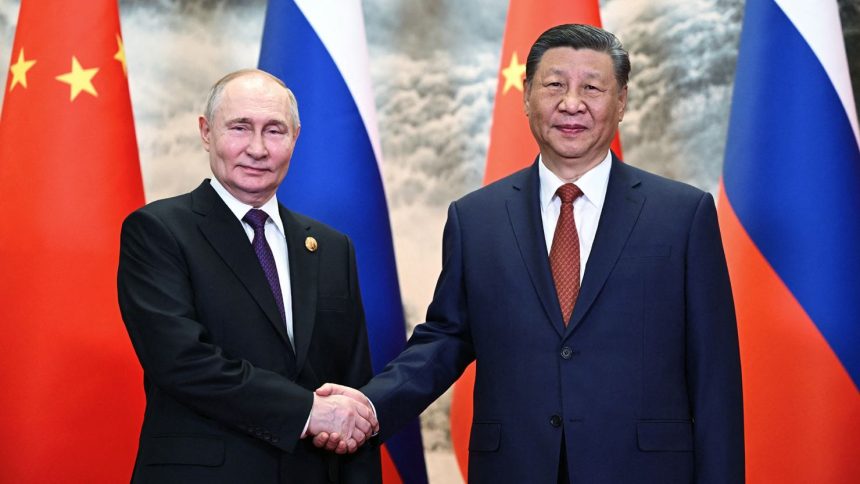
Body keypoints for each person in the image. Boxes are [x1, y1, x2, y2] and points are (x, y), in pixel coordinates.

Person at [316, 24, 745, 483]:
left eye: (593, 88)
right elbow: (444, 340)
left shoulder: (682, 215)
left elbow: (714, 375)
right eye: (555, 84)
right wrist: (370, 403)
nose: (572, 103)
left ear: (621, 101)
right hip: (514, 468)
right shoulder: (476, 218)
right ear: (526, 96)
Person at [117, 69, 381, 484]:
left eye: (274, 131)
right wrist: (306, 411)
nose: (257, 148)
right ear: (206, 132)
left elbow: (352, 388)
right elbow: (182, 362)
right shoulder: (158, 231)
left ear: (295, 137)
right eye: (240, 127)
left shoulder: (331, 247)